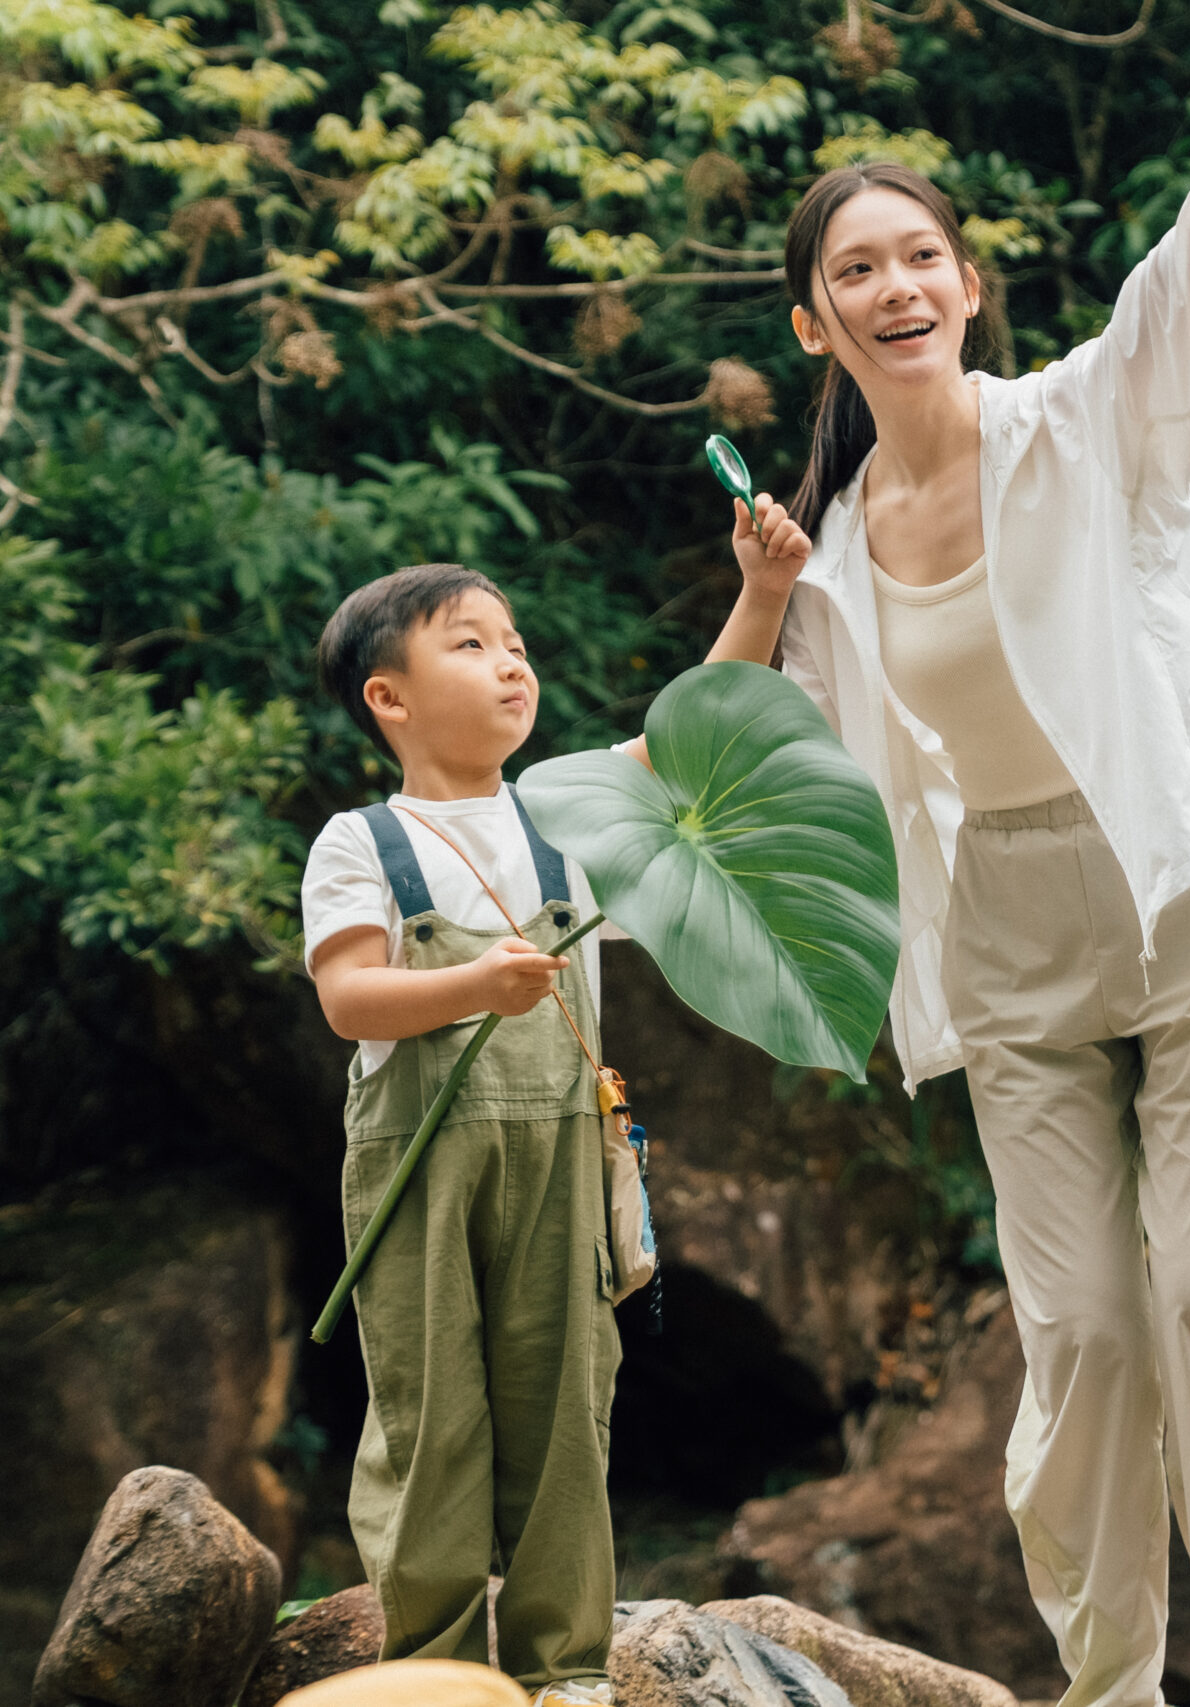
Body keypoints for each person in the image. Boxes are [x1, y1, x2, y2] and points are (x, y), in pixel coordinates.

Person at [692, 103, 1190, 1707]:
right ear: (812, 319)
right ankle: (1109, 1684)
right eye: (859, 269)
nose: (896, 286)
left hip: (1185, 896)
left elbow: (1163, 330)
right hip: (1006, 937)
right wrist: (764, 592)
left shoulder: (1080, 425)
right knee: (1088, 1333)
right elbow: (703, 760)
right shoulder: (829, 551)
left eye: (921, 258)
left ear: (967, 287)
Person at [300, 556, 804, 1705]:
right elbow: (350, 999)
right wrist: (478, 986)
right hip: (420, 1167)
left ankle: (564, 1674)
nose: (511, 660)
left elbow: (690, 735)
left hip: (561, 1161)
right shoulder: (361, 840)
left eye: (514, 640)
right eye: (469, 644)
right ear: (390, 697)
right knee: (434, 1419)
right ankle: (427, 1672)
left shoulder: (565, 821)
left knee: (566, 1408)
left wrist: (764, 592)